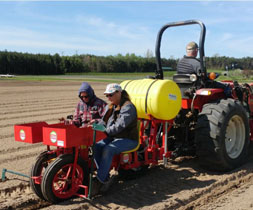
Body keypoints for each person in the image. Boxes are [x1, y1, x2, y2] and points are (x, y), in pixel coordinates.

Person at [91, 83, 139, 195]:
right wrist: (97, 123)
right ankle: (104, 176)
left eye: (110, 95)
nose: (108, 98)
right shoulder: (111, 106)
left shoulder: (128, 107)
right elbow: (105, 121)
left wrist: (105, 131)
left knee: (109, 149)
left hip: (129, 139)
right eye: (107, 95)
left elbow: (119, 126)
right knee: (96, 146)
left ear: (119, 93)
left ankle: (100, 181)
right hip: (115, 137)